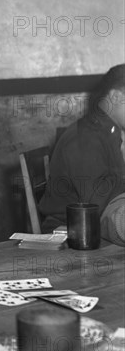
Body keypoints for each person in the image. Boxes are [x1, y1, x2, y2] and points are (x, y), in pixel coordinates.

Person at [39, 64, 125, 231]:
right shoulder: (85, 138)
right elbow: (100, 206)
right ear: (115, 97)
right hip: (73, 234)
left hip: (99, 226)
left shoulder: (111, 132)